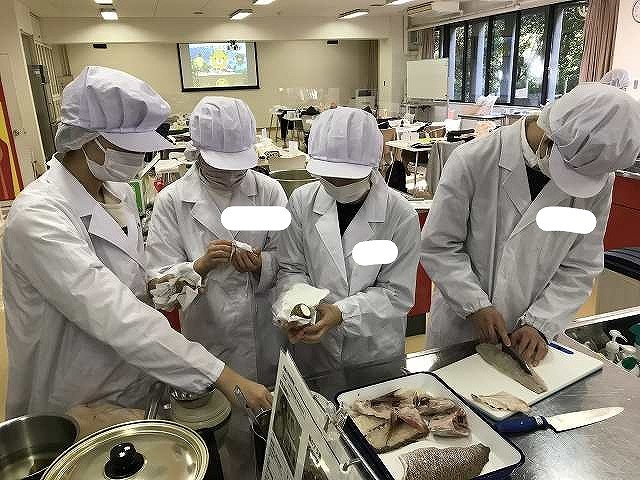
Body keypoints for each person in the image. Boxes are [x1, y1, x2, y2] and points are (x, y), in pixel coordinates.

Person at [2, 66, 271, 419]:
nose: (140, 158)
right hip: (73, 393)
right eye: (128, 147)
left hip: (134, 380)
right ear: (87, 139)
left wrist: (187, 275)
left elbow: (139, 289)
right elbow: (115, 313)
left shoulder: (118, 195)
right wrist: (222, 375)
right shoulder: (38, 217)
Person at [421, 83, 640, 365]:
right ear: (550, 139)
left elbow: (581, 264)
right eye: (569, 170)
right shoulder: (475, 159)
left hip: (532, 343)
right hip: (461, 331)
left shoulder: (598, 180)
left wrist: (540, 323)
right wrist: (474, 304)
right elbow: (439, 245)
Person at [146, 96, 287, 386]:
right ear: (198, 152)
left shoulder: (269, 191)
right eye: (222, 165)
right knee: (219, 410)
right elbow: (160, 292)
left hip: (265, 339)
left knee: (269, 407)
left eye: (239, 164)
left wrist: (261, 264)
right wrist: (199, 266)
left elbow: (291, 262)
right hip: (208, 343)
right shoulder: (172, 201)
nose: (232, 173)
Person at [276, 107, 420, 376]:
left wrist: (342, 313)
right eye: (329, 175)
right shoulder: (302, 201)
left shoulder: (400, 215)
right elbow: (292, 268)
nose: (337, 183)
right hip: (314, 352)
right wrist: (295, 308)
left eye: (347, 176)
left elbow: (396, 294)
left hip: (373, 350)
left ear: (374, 164)